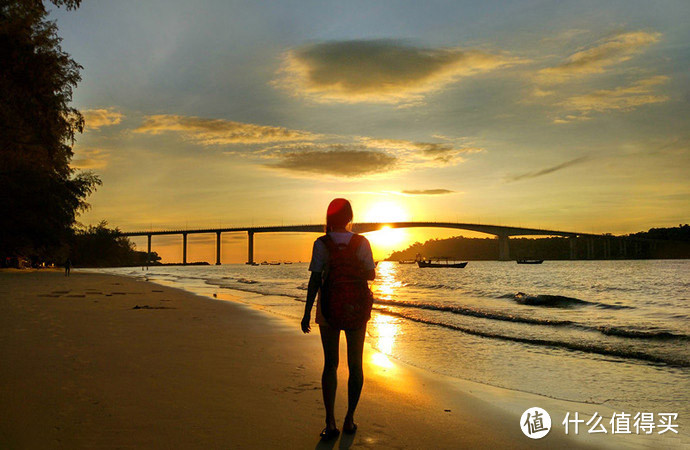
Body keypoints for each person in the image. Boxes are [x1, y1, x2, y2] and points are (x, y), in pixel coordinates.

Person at [301, 198, 376, 440]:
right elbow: (371, 275)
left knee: (330, 364)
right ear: (350, 217)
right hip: (356, 308)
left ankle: (330, 422)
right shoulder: (362, 242)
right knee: (356, 365)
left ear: (329, 218)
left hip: (329, 308)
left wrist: (306, 313)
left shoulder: (321, 243)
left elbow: (314, 280)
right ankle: (350, 419)